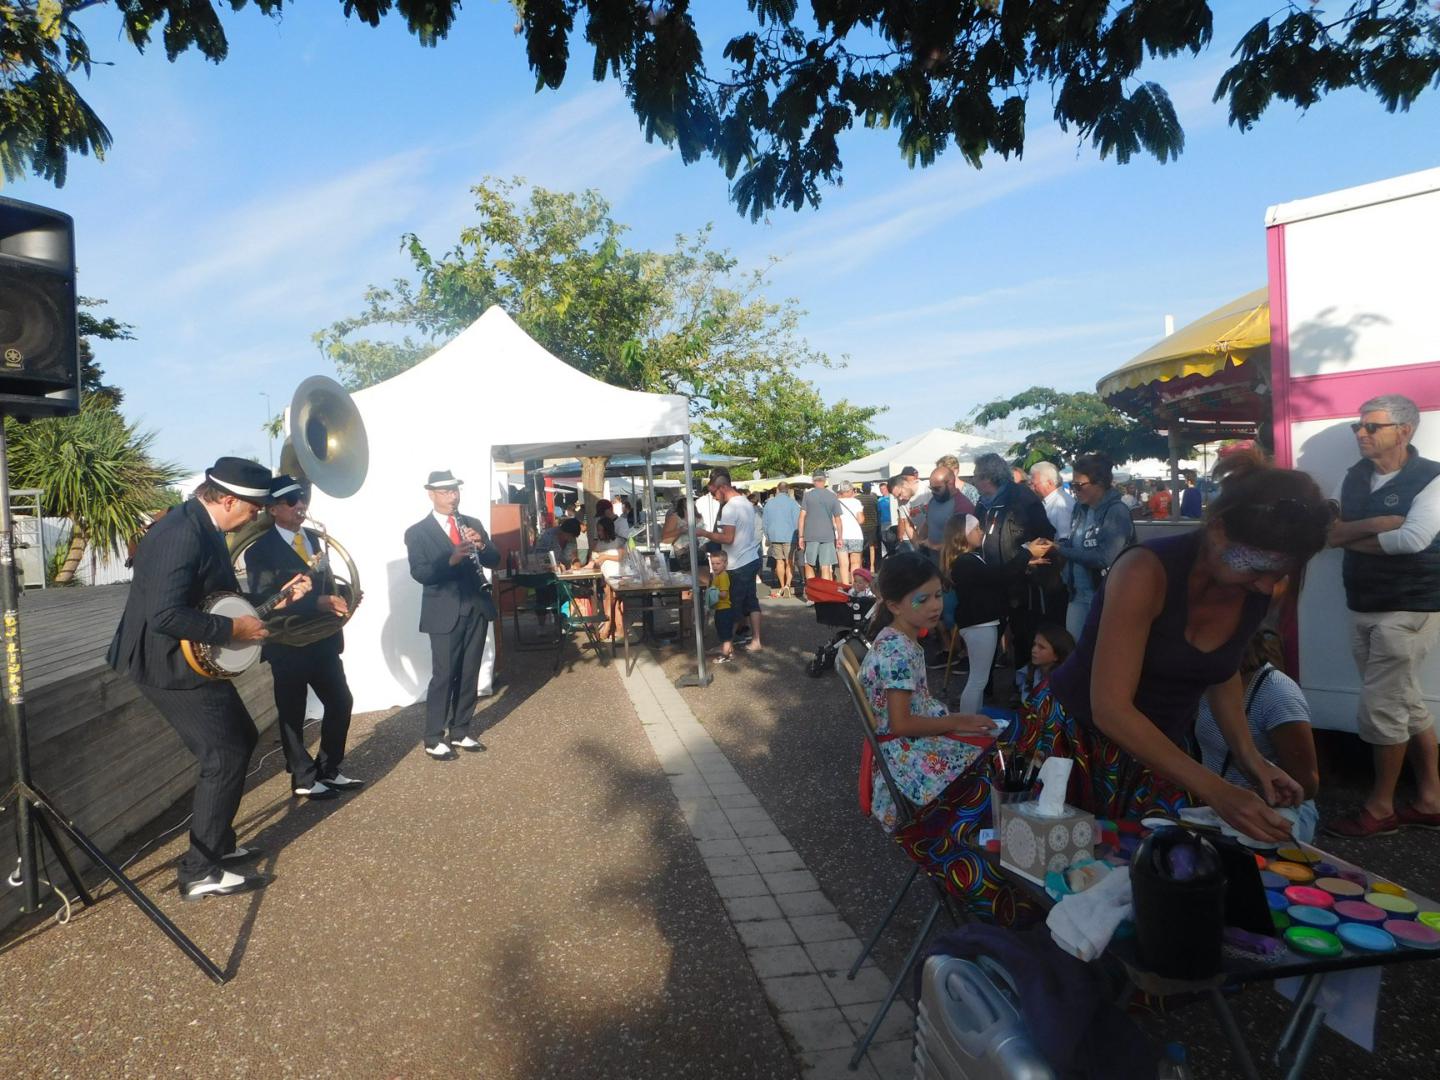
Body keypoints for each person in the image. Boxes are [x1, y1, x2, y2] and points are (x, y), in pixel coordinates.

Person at [1040, 448, 1328, 837]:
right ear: (1218, 531)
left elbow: (1220, 669)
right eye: (1258, 568)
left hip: (1159, 752)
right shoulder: (1144, 572)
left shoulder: (1262, 586)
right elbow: (1110, 710)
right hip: (1075, 743)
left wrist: (1251, 759)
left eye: (1279, 572)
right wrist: (1218, 791)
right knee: (1063, 859)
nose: (1266, 585)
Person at [108, 457, 312, 901]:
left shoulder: (204, 524)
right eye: (254, 509)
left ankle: (217, 844)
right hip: (166, 663)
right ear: (229, 500)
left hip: (193, 657)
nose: (256, 516)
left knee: (240, 737)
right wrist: (233, 630)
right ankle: (200, 871)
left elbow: (217, 597)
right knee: (224, 753)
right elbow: (164, 615)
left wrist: (275, 598)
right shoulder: (181, 533)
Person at [1324, 393, 1440, 837]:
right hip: (1364, 603)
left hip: (1408, 608)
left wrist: (1348, 537)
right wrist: (1377, 524)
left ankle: (1379, 810)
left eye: (1372, 426)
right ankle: (1430, 800)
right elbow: (1328, 534)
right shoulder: (1355, 476)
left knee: (1383, 709)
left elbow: (1412, 541)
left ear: (1404, 431)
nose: (1361, 433)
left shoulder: (1432, 478)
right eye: (1358, 426)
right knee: (1405, 702)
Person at [857, 551, 997, 831]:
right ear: (895, 606)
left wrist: (958, 721)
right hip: (906, 756)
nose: (935, 606)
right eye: (923, 599)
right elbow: (901, 723)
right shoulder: (898, 652)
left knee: (991, 738)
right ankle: (964, 840)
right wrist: (958, 721)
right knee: (992, 760)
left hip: (908, 745)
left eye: (938, 595)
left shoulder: (896, 638)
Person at [243, 475, 360, 802]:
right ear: (273, 509)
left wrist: (346, 596)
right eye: (292, 501)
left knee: (341, 701)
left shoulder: (313, 539)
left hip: (322, 639)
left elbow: (327, 584)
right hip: (287, 643)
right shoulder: (258, 551)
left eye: (302, 498)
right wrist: (317, 603)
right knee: (292, 714)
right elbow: (265, 599)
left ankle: (329, 769)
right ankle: (303, 777)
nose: (301, 505)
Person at [403, 470, 501, 761]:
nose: (453, 497)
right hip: (444, 611)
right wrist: (452, 559)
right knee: (444, 675)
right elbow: (420, 573)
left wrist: (481, 545)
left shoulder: (472, 523)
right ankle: (434, 737)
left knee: (470, 671)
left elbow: (494, 559)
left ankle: (460, 731)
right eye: (446, 492)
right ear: (431, 494)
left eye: (455, 491)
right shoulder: (417, 532)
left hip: (476, 607)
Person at [1197, 630, 1320, 843]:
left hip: (1275, 813)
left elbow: (1307, 785)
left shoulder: (1278, 694)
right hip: (1217, 804)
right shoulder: (1210, 680)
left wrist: (1250, 786)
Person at [970, 452, 1055, 676]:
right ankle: (985, 685)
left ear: (988, 477)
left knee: (1024, 635)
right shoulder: (983, 503)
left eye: (976, 476)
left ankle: (1024, 684)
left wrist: (1031, 560)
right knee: (991, 635)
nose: (974, 481)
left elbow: (1045, 534)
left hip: (1022, 583)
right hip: (992, 581)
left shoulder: (1023, 498)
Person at [1054, 453, 1135, 642]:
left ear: (1099, 483)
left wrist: (1061, 550)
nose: (1074, 490)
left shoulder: (1116, 511)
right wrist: (1054, 546)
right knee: (1073, 648)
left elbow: (1104, 558)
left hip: (1106, 595)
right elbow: (1075, 544)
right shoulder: (1079, 509)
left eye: (1079, 485)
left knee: (1101, 649)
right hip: (1078, 594)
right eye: (1072, 485)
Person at [940, 514, 1007, 715]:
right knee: (978, 679)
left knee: (979, 678)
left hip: (980, 622)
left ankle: (972, 719)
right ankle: (967, 722)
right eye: (976, 528)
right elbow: (999, 576)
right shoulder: (966, 562)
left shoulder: (969, 559)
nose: (981, 532)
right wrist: (1026, 554)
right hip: (979, 623)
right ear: (964, 534)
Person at [695, 468, 763, 652]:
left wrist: (705, 533)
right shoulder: (746, 502)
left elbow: (728, 538)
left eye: (714, 493)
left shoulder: (729, 508)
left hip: (737, 563)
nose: (714, 498)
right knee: (751, 602)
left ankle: (726, 644)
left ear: (722, 488)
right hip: (751, 558)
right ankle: (756, 640)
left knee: (729, 605)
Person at [915, 466, 975, 568]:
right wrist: (919, 541)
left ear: (950, 483)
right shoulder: (933, 501)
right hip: (933, 563)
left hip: (952, 566)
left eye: (937, 488)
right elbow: (928, 523)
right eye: (931, 488)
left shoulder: (963, 505)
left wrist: (933, 546)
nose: (933, 492)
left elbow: (963, 543)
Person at [798, 470, 843, 591]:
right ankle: (825, 593)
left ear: (813, 481)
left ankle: (812, 593)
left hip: (810, 534)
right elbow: (838, 519)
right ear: (825, 480)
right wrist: (839, 537)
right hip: (828, 535)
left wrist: (800, 536)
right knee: (825, 566)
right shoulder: (832, 496)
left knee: (809, 564)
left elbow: (802, 517)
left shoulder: (807, 496)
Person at [589, 506, 627, 640]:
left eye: (600, 530)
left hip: (617, 575)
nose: (598, 533)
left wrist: (604, 556)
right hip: (605, 577)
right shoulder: (599, 543)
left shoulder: (618, 541)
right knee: (611, 601)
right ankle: (617, 628)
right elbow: (592, 560)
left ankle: (609, 627)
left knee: (611, 601)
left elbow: (621, 557)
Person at [1015, 623, 1075, 708]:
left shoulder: (1063, 682)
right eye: (1034, 644)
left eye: (1041, 647)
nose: (1034, 650)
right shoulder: (1029, 672)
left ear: (1056, 655)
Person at [761, 481, 802, 597]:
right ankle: (788, 585)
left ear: (777, 490)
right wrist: (799, 536)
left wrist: (768, 536)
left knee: (779, 561)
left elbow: (765, 522)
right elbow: (797, 522)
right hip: (790, 535)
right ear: (788, 490)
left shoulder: (769, 503)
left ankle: (782, 585)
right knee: (789, 561)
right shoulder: (793, 503)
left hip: (775, 535)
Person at [1028, 461, 1073, 540]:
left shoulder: (1060, 504)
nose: (1032, 488)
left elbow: (1065, 538)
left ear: (1049, 483)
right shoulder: (1050, 501)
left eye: (1034, 484)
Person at [707, 549, 735, 664]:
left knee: (725, 635)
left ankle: (725, 655)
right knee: (723, 631)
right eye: (713, 563)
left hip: (724, 609)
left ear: (725, 564)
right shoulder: (717, 576)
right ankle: (730, 652)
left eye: (718, 563)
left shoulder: (723, 576)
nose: (715, 566)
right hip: (720, 609)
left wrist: (713, 592)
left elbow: (724, 594)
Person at [835, 480, 865, 587]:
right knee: (855, 563)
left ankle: (845, 586)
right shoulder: (856, 502)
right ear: (850, 490)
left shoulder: (836, 502)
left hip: (840, 536)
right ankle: (854, 586)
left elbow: (833, 521)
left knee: (843, 564)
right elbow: (861, 520)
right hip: (856, 535)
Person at [661, 496, 695, 571]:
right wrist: (680, 530)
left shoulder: (692, 513)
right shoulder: (673, 514)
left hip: (688, 550)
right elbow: (667, 534)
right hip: (679, 550)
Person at [857, 482, 881, 571]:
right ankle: (872, 567)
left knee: (860, 547)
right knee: (872, 546)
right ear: (869, 488)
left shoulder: (857, 498)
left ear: (862, 489)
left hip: (860, 526)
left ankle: (860, 565)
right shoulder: (874, 499)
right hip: (872, 526)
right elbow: (878, 511)